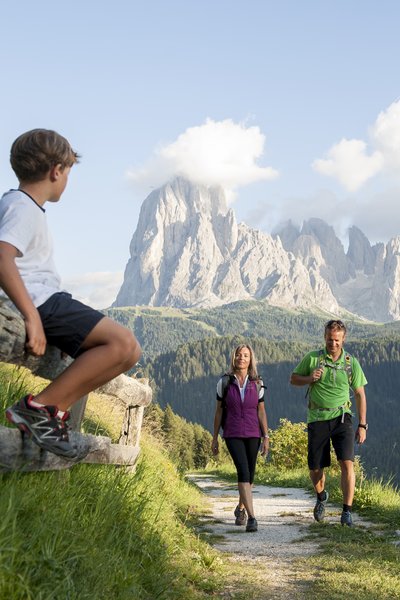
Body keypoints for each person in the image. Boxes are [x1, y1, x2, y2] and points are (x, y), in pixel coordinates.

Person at [0, 129, 141, 459]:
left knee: (128, 350)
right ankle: (41, 407)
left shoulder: (23, 206)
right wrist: (32, 317)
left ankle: (50, 412)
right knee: (123, 343)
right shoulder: (20, 206)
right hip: (43, 302)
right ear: (56, 170)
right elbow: (2, 255)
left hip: (48, 301)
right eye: (68, 173)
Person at [290, 319, 367, 526]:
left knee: (347, 463)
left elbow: (359, 393)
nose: (332, 343)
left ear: (343, 339)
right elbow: (293, 378)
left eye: (336, 340)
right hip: (317, 418)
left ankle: (346, 511)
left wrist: (362, 425)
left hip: (343, 418)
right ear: (324, 337)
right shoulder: (313, 358)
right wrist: (309, 378)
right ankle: (321, 495)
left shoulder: (351, 363)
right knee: (315, 467)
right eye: (329, 339)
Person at [211, 343, 269, 532]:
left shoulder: (258, 383)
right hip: (233, 433)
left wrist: (266, 436)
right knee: (243, 471)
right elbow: (219, 412)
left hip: (253, 433)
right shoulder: (225, 382)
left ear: (250, 359)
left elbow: (261, 411)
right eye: (238, 355)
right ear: (233, 358)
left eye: (245, 355)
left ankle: (241, 508)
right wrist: (214, 438)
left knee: (250, 474)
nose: (241, 358)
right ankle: (252, 517)